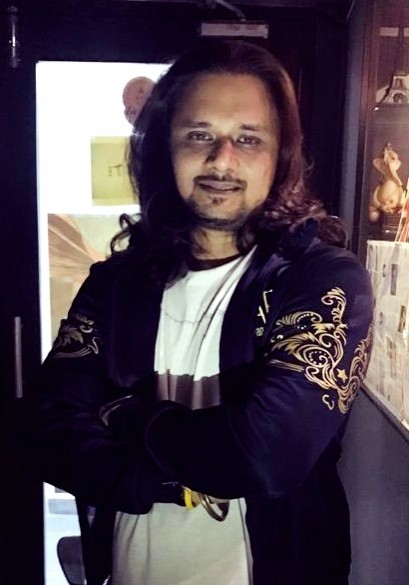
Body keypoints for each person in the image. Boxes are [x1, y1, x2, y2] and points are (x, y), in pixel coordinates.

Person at [27, 40, 373, 585]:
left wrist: (127, 416)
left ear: (280, 155)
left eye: (248, 138)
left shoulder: (321, 279)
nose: (221, 159)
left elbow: (266, 454)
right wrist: (166, 481)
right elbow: (47, 429)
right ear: (165, 147)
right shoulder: (116, 284)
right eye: (199, 135)